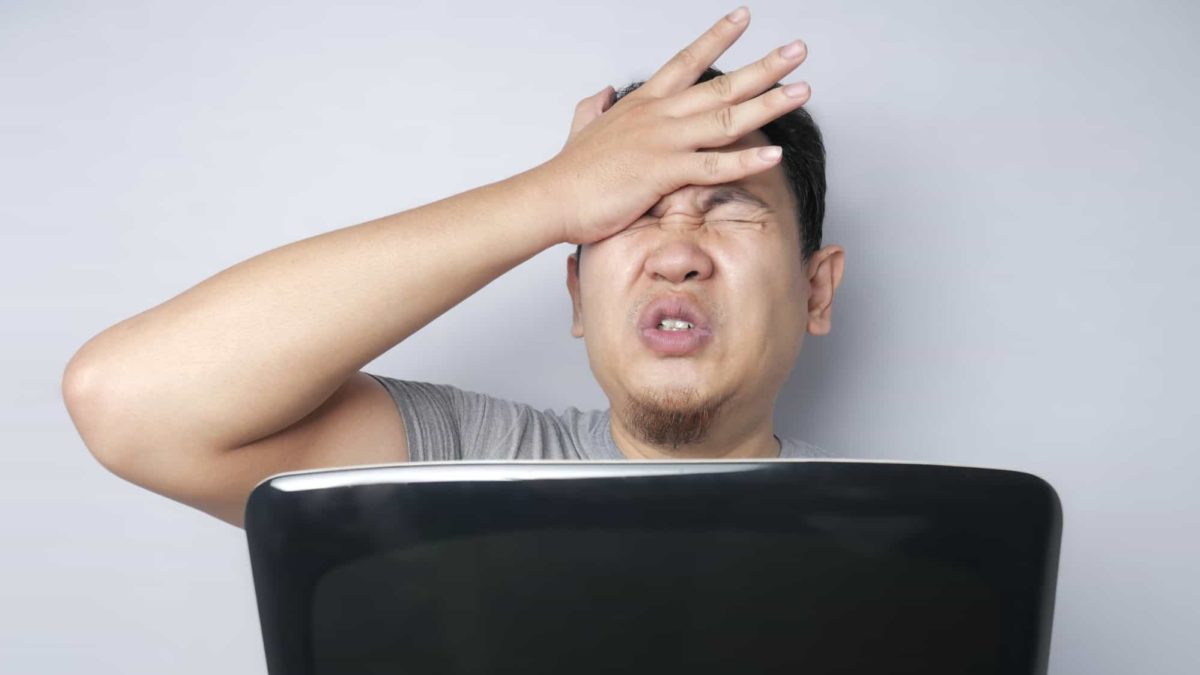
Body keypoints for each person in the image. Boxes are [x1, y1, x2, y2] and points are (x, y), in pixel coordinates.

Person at [61, 6, 846, 528]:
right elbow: (127, 401)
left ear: (817, 288)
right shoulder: (464, 471)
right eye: (635, 212)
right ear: (577, 294)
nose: (677, 254)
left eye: (729, 207)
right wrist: (552, 194)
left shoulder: (903, 537)